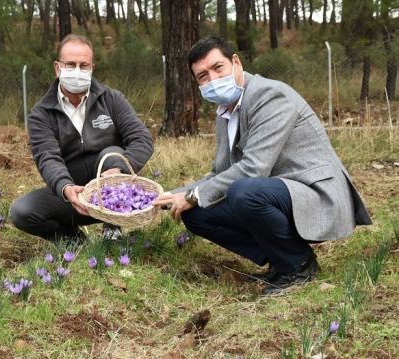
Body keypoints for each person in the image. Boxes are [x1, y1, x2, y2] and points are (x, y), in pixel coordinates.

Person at [153, 36, 372, 296]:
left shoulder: (270, 95)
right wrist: (170, 195)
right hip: (277, 192)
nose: (212, 80)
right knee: (195, 212)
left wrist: (193, 195)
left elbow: (253, 169)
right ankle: (281, 258)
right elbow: (219, 173)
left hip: (314, 193)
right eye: (202, 76)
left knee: (243, 192)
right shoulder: (225, 111)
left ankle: (299, 266)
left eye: (218, 68)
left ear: (236, 62)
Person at [10, 34, 154, 242]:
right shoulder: (41, 113)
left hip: (111, 191)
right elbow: (48, 157)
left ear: (92, 68)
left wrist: (120, 172)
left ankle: (112, 224)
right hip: (73, 193)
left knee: (112, 153)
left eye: (83, 65)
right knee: (22, 211)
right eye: (70, 64)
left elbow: (141, 138)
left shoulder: (112, 99)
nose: (77, 71)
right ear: (57, 68)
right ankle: (73, 239)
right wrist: (66, 188)